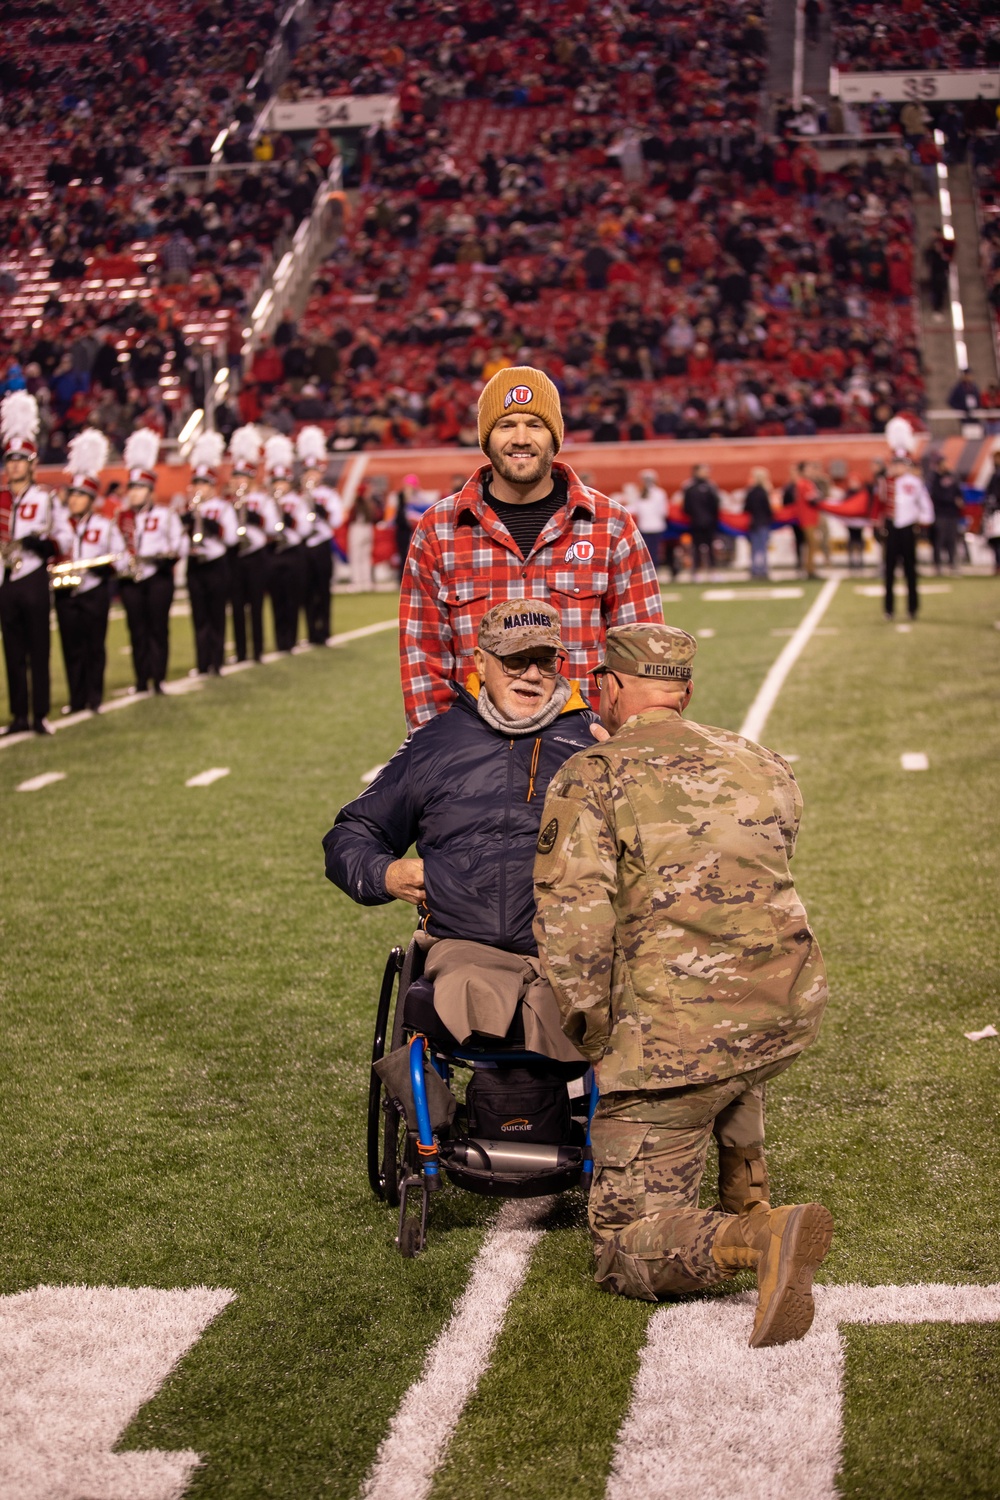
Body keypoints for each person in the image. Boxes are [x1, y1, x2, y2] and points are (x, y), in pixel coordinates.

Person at [533, 624, 832, 1347]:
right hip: (779, 1013)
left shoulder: (593, 774)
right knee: (731, 1060)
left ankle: (755, 1240)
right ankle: (747, 1189)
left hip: (673, 1041)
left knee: (620, 1245)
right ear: (683, 690)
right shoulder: (759, 759)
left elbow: (573, 930)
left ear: (610, 687)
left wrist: (596, 1037)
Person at [325, 600, 596, 1061]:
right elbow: (352, 835)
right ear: (480, 662)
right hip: (464, 950)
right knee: (477, 998)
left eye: (545, 661)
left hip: (571, 947)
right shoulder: (434, 745)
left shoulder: (595, 743)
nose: (531, 675)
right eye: (515, 660)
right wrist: (386, 873)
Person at [400, 366, 663, 730]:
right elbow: (422, 658)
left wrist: (629, 748)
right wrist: (438, 756)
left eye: (535, 425)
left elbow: (642, 654)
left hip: (585, 752)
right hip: (476, 758)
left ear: (555, 437)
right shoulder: (437, 530)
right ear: (487, 437)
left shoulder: (611, 525)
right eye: (506, 425)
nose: (520, 438)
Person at [52, 428, 125, 714]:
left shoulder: (104, 526)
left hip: (94, 590)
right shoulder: (59, 524)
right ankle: (76, 697)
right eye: (72, 494)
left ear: (91, 498)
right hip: (66, 591)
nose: (73, 500)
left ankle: (94, 696)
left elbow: (118, 557)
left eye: (80, 495)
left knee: (94, 646)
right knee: (71, 647)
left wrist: (106, 565)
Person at [0, 391, 56, 734]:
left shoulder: (45, 498)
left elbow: (58, 540)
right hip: (6, 579)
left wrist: (38, 542)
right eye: (10, 459)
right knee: (13, 651)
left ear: (32, 463)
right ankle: (19, 716)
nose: (15, 464)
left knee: (39, 649)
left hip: (33, 576)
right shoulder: (2, 499)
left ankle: (40, 715)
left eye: (21, 459)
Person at [118, 434, 183, 696]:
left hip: (158, 576)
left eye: (140, 488)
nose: (134, 493)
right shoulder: (121, 518)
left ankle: (158, 678)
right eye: (131, 488)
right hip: (131, 578)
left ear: (150, 491)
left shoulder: (165, 515)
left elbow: (179, 543)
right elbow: (115, 547)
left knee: (157, 628)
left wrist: (164, 555)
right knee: (136, 630)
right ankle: (141, 679)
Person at [182, 433, 237, 677]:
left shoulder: (223, 507)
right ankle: (202, 661)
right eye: (196, 483)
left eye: (203, 484)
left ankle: (217, 661)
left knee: (216, 614)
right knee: (198, 615)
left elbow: (232, 537)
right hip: (195, 564)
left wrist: (206, 523)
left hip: (216, 564)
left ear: (212, 485)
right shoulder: (187, 508)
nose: (199, 488)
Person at [227, 424, 273, 663]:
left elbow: (272, 525)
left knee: (255, 603)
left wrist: (254, 517)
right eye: (236, 477)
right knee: (236, 605)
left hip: (255, 555)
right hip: (235, 555)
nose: (239, 482)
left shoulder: (260, 499)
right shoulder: (227, 502)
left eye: (243, 477)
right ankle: (241, 651)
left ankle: (257, 650)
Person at [264, 433, 310, 652]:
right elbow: (265, 528)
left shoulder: (297, 501)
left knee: (292, 598)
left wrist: (289, 520)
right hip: (274, 551)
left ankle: (291, 639)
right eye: (276, 482)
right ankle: (279, 640)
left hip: (292, 551)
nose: (279, 486)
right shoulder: (266, 502)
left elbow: (305, 529)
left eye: (282, 481)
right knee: (276, 599)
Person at [297, 425, 341, 645]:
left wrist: (320, 508)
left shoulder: (328, 494)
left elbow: (336, 520)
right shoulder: (298, 497)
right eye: (307, 472)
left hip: (322, 544)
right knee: (306, 590)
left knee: (323, 590)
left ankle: (325, 631)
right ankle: (311, 631)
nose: (310, 476)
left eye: (314, 472)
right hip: (304, 546)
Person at [883, 451, 934, 620]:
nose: (898, 468)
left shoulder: (914, 482)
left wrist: (923, 520)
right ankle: (888, 609)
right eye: (896, 464)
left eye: (901, 464)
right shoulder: (886, 482)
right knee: (889, 570)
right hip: (891, 527)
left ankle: (912, 608)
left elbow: (925, 504)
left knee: (910, 569)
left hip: (908, 528)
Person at [625, 468, 668, 576]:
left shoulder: (645, 493)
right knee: (653, 551)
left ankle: (649, 573)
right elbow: (664, 511)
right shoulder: (658, 493)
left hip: (647, 527)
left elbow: (634, 508)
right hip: (654, 526)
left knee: (647, 552)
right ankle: (653, 572)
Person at [681, 464, 720, 580]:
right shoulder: (689, 487)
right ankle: (696, 571)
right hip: (696, 522)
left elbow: (716, 505)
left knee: (711, 547)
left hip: (709, 523)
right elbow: (686, 507)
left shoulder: (711, 486)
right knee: (696, 547)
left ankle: (713, 571)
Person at [928, 455, 963, 574]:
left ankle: (952, 563)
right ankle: (937, 564)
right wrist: (952, 500)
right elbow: (935, 495)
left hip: (952, 513)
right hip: (940, 513)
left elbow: (958, 492)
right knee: (939, 539)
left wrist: (959, 500)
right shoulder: (934, 478)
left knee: (952, 539)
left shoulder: (953, 476)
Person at [347, 482, 379, 592]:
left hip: (357, 529)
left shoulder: (357, 503)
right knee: (366, 557)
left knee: (356, 557)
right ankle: (367, 582)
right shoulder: (369, 504)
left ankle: (357, 582)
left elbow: (350, 518)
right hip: (367, 529)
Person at [743, 467, 774, 580]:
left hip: (754, 523)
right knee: (763, 548)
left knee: (755, 548)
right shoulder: (764, 492)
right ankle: (763, 570)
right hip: (763, 523)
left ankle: (755, 570)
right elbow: (768, 509)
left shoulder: (751, 492)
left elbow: (746, 508)